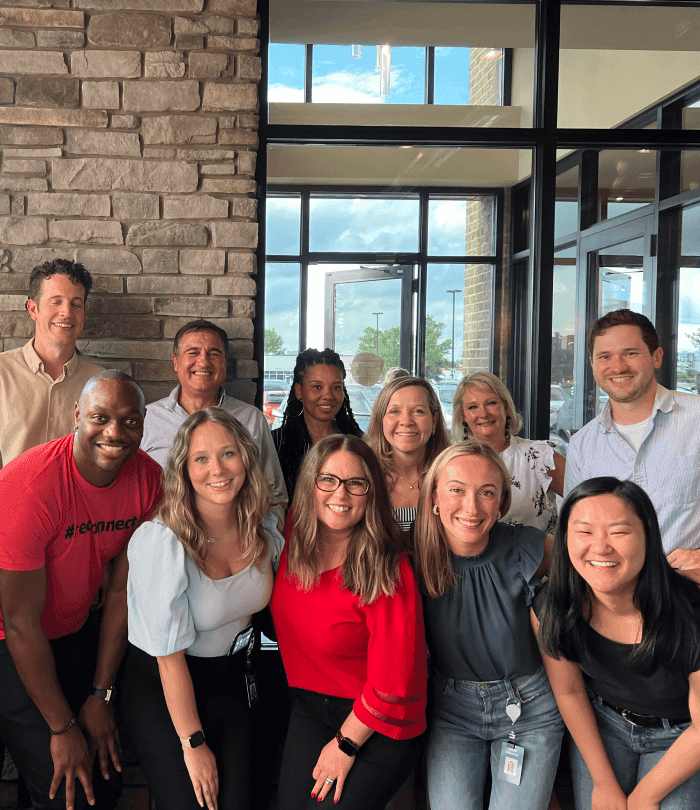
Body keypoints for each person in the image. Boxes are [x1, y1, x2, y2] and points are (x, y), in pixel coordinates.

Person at [0, 370, 162, 810]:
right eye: (100, 417)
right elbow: (18, 623)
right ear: (77, 416)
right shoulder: (29, 486)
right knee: (67, 791)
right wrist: (61, 727)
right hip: (10, 640)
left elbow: (121, 593)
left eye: (130, 420)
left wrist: (99, 695)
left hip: (74, 631)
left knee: (104, 779)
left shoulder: (148, 480)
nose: (115, 432)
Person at [120, 408, 284, 810]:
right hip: (163, 683)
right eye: (201, 458)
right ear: (183, 468)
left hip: (230, 680)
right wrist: (193, 745)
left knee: (241, 801)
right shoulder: (162, 541)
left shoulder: (262, 528)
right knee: (193, 802)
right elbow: (168, 658)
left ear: (246, 457)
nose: (218, 469)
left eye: (228, 454)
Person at [270, 435, 427, 809]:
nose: (340, 494)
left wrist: (344, 745)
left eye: (356, 483)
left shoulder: (388, 568)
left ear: (371, 492)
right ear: (311, 485)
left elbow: (394, 683)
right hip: (311, 706)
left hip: (381, 721)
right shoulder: (294, 536)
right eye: (328, 480)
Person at [534, 477, 700, 810]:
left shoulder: (689, 611)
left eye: (619, 532)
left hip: (681, 736)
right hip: (605, 725)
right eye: (584, 532)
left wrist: (645, 796)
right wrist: (603, 783)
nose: (600, 547)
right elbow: (569, 692)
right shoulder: (553, 607)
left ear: (648, 538)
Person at [413, 442, 563, 810]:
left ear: (501, 503)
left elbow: (592, 566)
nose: (472, 507)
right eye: (456, 490)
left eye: (487, 493)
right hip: (451, 710)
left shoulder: (524, 545)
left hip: (529, 708)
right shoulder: (416, 559)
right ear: (433, 496)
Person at [564, 309, 700, 580]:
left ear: (657, 357)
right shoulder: (582, 445)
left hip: (688, 599)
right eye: (604, 356)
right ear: (592, 364)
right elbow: (574, 532)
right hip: (612, 603)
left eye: (630, 353)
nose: (617, 366)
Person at [140, 319, 286, 528]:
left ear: (226, 363)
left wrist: (265, 542)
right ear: (175, 362)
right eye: (193, 352)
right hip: (165, 548)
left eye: (214, 353)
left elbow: (275, 496)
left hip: (235, 551)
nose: (203, 362)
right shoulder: (147, 419)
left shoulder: (251, 419)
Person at [0, 259, 104, 466]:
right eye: (55, 301)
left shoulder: (100, 383)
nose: (66, 312)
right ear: (33, 310)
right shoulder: (2, 372)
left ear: (84, 313)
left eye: (76, 304)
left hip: (76, 498)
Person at [453, 371, 565, 533]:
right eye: (473, 407)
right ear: (463, 415)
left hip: (540, 557)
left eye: (491, 403)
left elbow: (589, 497)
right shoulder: (452, 463)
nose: (483, 414)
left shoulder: (539, 455)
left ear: (505, 407)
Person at [271, 348, 362, 503]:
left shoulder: (357, 442)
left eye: (336, 387)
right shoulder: (276, 443)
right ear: (299, 391)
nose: (328, 395)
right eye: (317, 387)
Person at [364, 370, 450, 531]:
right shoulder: (364, 477)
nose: (406, 421)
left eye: (418, 411)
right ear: (380, 420)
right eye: (394, 411)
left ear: (434, 421)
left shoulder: (452, 478)